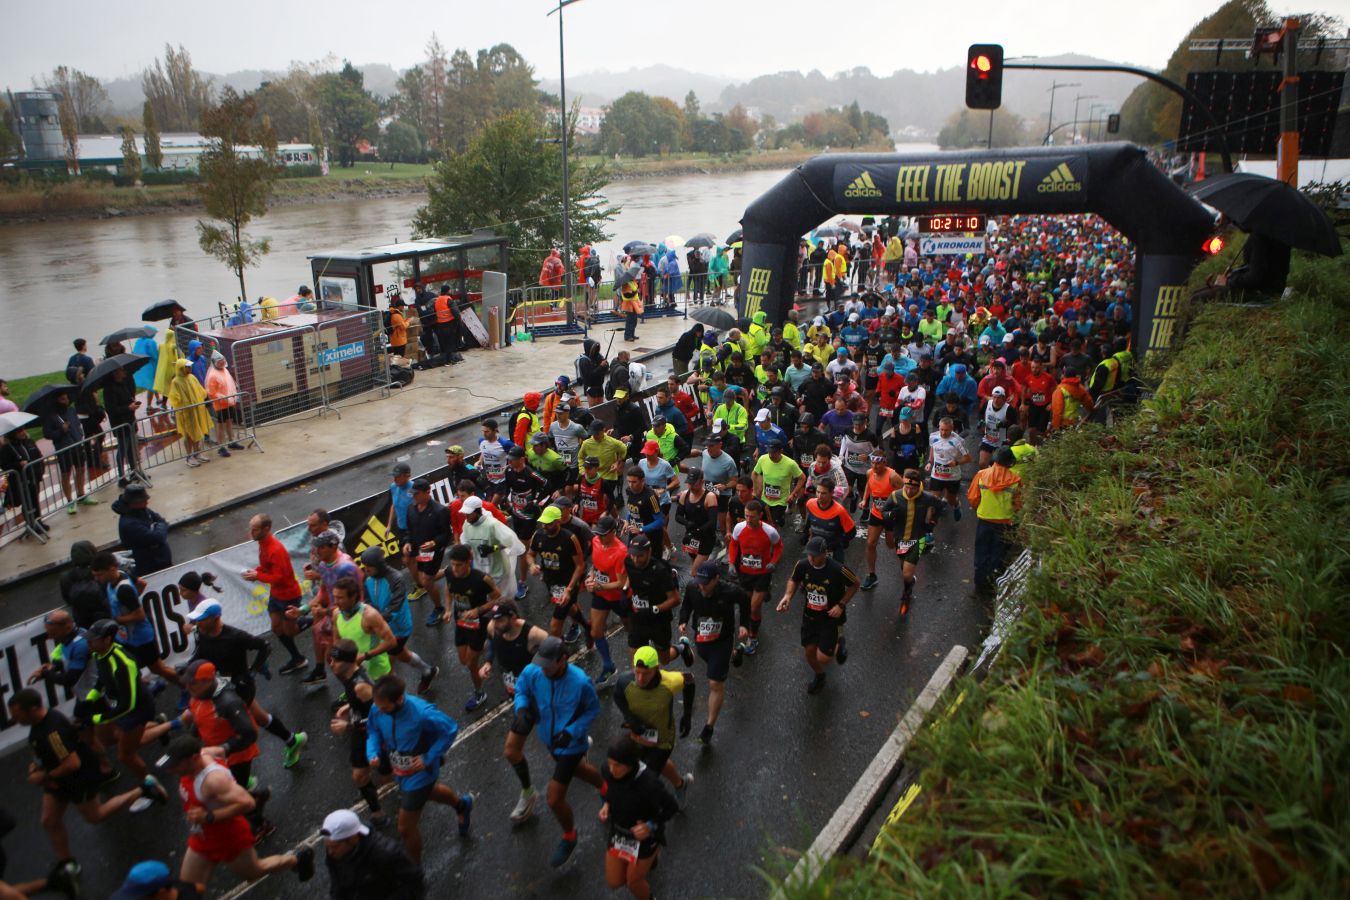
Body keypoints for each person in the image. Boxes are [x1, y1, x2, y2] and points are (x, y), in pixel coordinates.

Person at [9, 688, 166, 866]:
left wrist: (44, 776)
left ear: (32, 709)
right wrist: (37, 766)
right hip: (57, 780)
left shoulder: (52, 731)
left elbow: (72, 763)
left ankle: (143, 789)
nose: (14, 719)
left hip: (77, 777)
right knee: (49, 820)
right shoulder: (39, 725)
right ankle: (67, 864)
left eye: (17, 714)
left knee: (95, 816)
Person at [162, 735, 315, 885]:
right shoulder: (204, 753)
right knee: (188, 888)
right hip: (203, 836)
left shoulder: (214, 781)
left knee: (254, 872)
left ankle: (297, 860)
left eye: (175, 765)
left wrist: (209, 816)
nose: (170, 770)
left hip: (230, 838)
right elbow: (220, 752)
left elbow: (248, 803)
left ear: (193, 758)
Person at [511, 636, 604, 868]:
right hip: (549, 739)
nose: (542, 669)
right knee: (578, 771)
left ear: (563, 660)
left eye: (548, 664)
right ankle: (606, 786)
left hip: (571, 744)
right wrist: (521, 709)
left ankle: (570, 837)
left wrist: (572, 732)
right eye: (541, 663)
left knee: (554, 799)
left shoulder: (580, 682)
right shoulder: (536, 671)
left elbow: (592, 710)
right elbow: (521, 686)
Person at [184, 601, 307, 768]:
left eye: (201, 619)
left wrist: (253, 672)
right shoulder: (201, 632)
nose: (197, 623)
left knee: (232, 726)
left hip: (240, 686)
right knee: (259, 717)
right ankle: (292, 740)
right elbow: (200, 651)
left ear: (215, 618)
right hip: (219, 685)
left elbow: (265, 646)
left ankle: (237, 774)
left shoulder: (235, 636)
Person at [365, 674, 473, 861]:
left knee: (405, 828)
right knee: (430, 793)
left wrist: (428, 757)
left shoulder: (422, 713)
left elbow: (450, 729)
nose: (379, 711)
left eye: (384, 708)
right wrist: (372, 753)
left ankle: (414, 870)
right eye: (378, 706)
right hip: (399, 770)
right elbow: (372, 730)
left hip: (421, 773)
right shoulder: (378, 707)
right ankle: (462, 805)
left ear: (399, 699)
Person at [479, 601, 550, 824]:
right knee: (511, 751)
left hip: (543, 701)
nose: (496, 624)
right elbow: (491, 643)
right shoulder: (493, 629)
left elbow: (558, 652)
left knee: (558, 746)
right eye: (494, 619)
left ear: (513, 617)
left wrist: (539, 675)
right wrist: (488, 662)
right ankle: (528, 793)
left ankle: (578, 741)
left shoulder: (534, 635)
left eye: (501, 619)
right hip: (520, 701)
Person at [599, 734, 680, 900]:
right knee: (614, 882)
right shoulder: (608, 771)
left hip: (645, 839)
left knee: (633, 883)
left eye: (618, 765)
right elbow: (611, 789)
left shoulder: (649, 783)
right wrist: (607, 804)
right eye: (610, 763)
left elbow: (671, 807)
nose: (612, 770)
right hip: (620, 832)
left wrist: (650, 826)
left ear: (630, 765)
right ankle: (650, 861)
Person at [776, 537, 859, 694]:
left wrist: (841, 605)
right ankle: (820, 676)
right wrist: (787, 596)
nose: (811, 558)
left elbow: (855, 584)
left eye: (814, 555)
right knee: (809, 652)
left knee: (824, 659)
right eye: (809, 555)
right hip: (810, 617)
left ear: (825, 554)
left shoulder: (838, 569)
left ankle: (838, 644)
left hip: (829, 618)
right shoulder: (802, 565)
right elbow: (793, 580)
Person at [678, 562, 749, 744]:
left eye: (706, 583)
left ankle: (709, 727)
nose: (702, 586)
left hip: (722, 640)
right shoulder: (694, 587)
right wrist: (683, 620)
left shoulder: (730, 591)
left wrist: (744, 625)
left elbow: (745, 601)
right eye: (700, 582)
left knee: (715, 683)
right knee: (709, 663)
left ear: (717, 579)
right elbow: (686, 604)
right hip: (701, 639)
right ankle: (737, 652)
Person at [90, 551, 181, 689]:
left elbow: (140, 615)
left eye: (99, 575)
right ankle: (149, 688)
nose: (97, 579)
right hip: (126, 636)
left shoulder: (124, 590)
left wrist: (119, 618)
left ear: (112, 569)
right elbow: (142, 583)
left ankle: (186, 687)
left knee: (158, 668)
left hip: (141, 637)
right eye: (95, 575)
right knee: (129, 668)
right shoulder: (120, 575)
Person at [613, 646, 693, 803]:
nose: (641, 679)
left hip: (662, 740)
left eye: (646, 673)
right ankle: (680, 784)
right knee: (642, 765)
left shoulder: (669, 681)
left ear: (656, 669)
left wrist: (687, 715)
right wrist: (631, 719)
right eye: (637, 672)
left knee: (645, 782)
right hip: (638, 736)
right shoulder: (625, 681)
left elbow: (689, 679)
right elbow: (618, 696)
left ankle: (648, 819)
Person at [325, 640, 390, 828]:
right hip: (360, 732)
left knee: (387, 776)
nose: (331, 665)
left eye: (335, 661)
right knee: (359, 776)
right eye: (330, 660)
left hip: (373, 733)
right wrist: (350, 705)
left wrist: (347, 726)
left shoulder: (360, 687)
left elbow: (379, 717)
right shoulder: (348, 676)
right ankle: (378, 814)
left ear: (347, 662)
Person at [359, 548, 438, 693]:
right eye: (364, 566)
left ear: (378, 566)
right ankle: (427, 671)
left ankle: (395, 697)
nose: (365, 569)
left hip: (399, 627)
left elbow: (396, 605)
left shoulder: (396, 578)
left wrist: (379, 620)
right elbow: (368, 599)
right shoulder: (368, 578)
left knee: (387, 663)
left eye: (369, 567)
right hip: (382, 626)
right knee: (401, 654)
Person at [241, 513, 308, 675]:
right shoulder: (263, 543)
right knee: (277, 628)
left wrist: (258, 576)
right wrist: (256, 572)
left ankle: (312, 619)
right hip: (277, 595)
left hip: (289, 595)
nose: (252, 533)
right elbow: (267, 568)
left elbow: (280, 577)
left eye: (255, 530)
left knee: (290, 631)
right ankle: (297, 658)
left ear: (267, 528)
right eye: (251, 529)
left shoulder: (275, 549)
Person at [442, 544, 503, 711]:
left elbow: (498, 599)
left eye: (459, 565)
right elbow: (448, 588)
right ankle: (489, 643)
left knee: (470, 663)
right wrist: (448, 609)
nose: (455, 569)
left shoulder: (481, 579)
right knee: (463, 660)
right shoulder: (449, 572)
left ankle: (479, 693)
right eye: (453, 564)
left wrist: (479, 610)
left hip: (478, 624)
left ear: (468, 562)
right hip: (460, 622)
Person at [320, 808, 425, 900]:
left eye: (334, 847)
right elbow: (337, 887)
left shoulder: (386, 853)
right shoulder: (335, 853)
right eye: (327, 847)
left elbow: (415, 883)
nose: (330, 852)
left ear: (353, 839)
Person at [881, 469, 943, 615]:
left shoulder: (926, 498)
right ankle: (909, 583)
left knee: (907, 574)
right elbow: (884, 512)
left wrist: (932, 521)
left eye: (913, 488)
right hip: (900, 538)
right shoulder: (895, 496)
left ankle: (906, 595)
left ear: (919, 486)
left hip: (918, 538)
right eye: (906, 487)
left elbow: (940, 506)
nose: (909, 491)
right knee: (904, 568)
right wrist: (890, 515)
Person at [526, 504, 589, 644]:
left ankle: (561, 655)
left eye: (548, 523)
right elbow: (530, 554)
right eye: (543, 523)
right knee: (571, 608)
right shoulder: (538, 535)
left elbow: (580, 565)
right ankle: (587, 627)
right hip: (550, 581)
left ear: (558, 521)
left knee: (554, 627)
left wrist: (569, 589)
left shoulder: (569, 538)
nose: (544, 526)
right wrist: (532, 565)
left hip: (568, 581)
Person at [622, 533, 687, 667]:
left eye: (640, 556)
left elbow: (675, 599)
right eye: (633, 555)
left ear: (649, 552)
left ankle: (681, 648)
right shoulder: (628, 561)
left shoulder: (660, 570)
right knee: (636, 656)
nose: (635, 559)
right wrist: (624, 589)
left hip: (658, 620)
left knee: (664, 660)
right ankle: (647, 682)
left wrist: (654, 609)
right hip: (638, 616)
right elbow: (631, 576)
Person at [726, 500, 782, 653]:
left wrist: (774, 562)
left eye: (752, 517)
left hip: (762, 574)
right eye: (746, 516)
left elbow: (778, 546)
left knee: (754, 607)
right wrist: (731, 563)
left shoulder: (770, 531)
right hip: (745, 573)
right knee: (746, 602)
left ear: (760, 516)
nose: (748, 520)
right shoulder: (739, 527)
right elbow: (733, 544)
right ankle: (764, 594)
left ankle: (753, 637)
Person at [968, 447, 1022, 595]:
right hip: (1005, 523)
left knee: (981, 552)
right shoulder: (1016, 479)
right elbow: (1018, 504)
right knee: (997, 554)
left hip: (984, 521)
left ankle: (979, 582)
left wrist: (979, 509)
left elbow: (973, 498)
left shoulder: (981, 475)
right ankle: (992, 582)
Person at [586, 516, 631, 686]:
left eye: (603, 534)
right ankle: (608, 665)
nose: (600, 537)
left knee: (630, 629)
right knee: (596, 632)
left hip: (619, 597)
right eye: (598, 534)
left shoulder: (621, 552)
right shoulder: (596, 541)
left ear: (613, 532)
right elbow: (595, 566)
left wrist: (599, 586)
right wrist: (590, 577)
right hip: (601, 595)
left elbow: (620, 583)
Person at [458, 494, 526, 605]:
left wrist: (492, 548)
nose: (466, 516)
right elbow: (465, 540)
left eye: (469, 513)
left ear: (477, 511)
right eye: (465, 513)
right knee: (490, 601)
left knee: (503, 602)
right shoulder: (467, 525)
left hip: (499, 570)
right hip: (481, 571)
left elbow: (510, 542)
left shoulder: (492, 524)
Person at [402, 478, 452, 627]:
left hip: (434, 550)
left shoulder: (440, 511)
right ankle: (449, 571)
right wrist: (408, 542)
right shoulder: (411, 509)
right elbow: (408, 530)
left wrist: (434, 543)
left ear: (427, 492)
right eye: (413, 494)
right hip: (419, 550)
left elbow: (446, 535)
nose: (413, 497)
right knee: (424, 576)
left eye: (416, 494)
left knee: (426, 581)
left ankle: (438, 608)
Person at [42, 387, 92, 515]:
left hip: (76, 444)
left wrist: (79, 434)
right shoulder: (51, 416)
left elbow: (76, 423)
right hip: (64, 448)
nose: (66, 400)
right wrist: (60, 431)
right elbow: (47, 434)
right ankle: (70, 500)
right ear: (56, 400)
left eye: (66, 398)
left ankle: (81, 495)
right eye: (62, 399)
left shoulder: (71, 410)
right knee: (66, 474)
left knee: (81, 469)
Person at [858, 453, 903, 591]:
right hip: (877, 513)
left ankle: (906, 569)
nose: (875, 466)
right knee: (871, 543)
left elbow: (905, 493)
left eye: (878, 463)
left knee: (891, 545)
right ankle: (872, 575)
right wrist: (865, 500)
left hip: (891, 515)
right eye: (873, 463)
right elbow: (869, 485)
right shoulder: (869, 473)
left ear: (884, 463)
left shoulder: (893, 476)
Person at [112, 484, 171, 576]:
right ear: (134, 503)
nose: (147, 502)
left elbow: (162, 521)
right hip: (149, 566)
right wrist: (158, 527)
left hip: (160, 560)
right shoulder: (129, 524)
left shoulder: (142, 510)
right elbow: (158, 537)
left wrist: (158, 526)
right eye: (144, 500)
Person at [167, 359, 213, 467]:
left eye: (190, 366)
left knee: (197, 432)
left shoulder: (192, 377)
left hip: (196, 411)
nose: (189, 368)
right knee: (188, 436)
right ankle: (189, 457)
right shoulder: (176, 382)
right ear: (181, 368)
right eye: (187, 367)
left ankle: (197, 453)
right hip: (186, 414)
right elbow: (174, 398)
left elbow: (201, 391)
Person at [674, 467, 719, 576]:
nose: (691, 486)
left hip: (706, 538)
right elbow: (678, 516)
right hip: (691, 537)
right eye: (689, 483)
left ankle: (702, 587)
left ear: (702, 482)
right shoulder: (685, 494)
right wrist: (687, 523)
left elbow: (712, 522)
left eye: (694, 484)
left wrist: (695, 531)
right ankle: (708, 581)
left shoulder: (710, 497)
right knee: (699, 568)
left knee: (694, 572)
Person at [751, 439, 804, 528]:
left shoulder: (790, 464)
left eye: (774, 453)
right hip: (765, 499)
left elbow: (802, 478)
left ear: (781, 451)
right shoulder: (763, 459)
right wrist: (754, 489)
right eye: (769, 452)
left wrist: (793, 494)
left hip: (781, 500)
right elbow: (755, 473)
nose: (771, 455)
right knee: (763, 523)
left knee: (773, 525)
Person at [928, 417, 971, 521]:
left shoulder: (957, 441)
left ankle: (956, 505)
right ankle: (929, 531)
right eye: (941, 429)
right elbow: (932, 448)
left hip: (952, 477)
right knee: (933, 503)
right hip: (936, 475)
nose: (943, 432)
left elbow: (968, 458)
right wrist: (930, 462)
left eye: (946, 430)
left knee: (951, 500)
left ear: (952, 428)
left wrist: (956, 462)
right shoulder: (933, 437)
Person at [803, 477, 855, 563]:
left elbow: (852, 532)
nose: (819, 496)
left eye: (823, 493)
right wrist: (805, 534)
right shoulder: (810, 503)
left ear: (831, 493)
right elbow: (810, 519)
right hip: (815, 549)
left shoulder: (839, 511)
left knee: (834, 575)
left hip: (833, 551)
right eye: (818, 492)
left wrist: (839, 543)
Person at [203, 354, 244, 457]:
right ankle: (221, 447)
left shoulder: (224, 370)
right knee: (220, 426)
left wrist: (233, 396)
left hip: (229, 402)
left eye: (223, 360)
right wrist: (221, 397)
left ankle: (231, 442)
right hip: (220, 404)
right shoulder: (212, 375)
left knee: (229, 422)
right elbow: (211, 392)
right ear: (214, 363)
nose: (222, 362)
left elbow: (230, 383)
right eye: (219, 361)